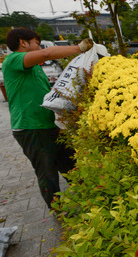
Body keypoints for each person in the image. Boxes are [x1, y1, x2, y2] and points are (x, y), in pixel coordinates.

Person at [2, 28, 94, 208]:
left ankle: (91, 197)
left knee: (70, 163)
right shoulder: (12, 60)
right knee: (47, 172)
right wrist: (79, 48)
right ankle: (57, 211)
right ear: (23, 42)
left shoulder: (35, 68)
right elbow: (48, 52)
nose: (40, 47)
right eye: (36, 43)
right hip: (31, 128)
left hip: (49, 124)